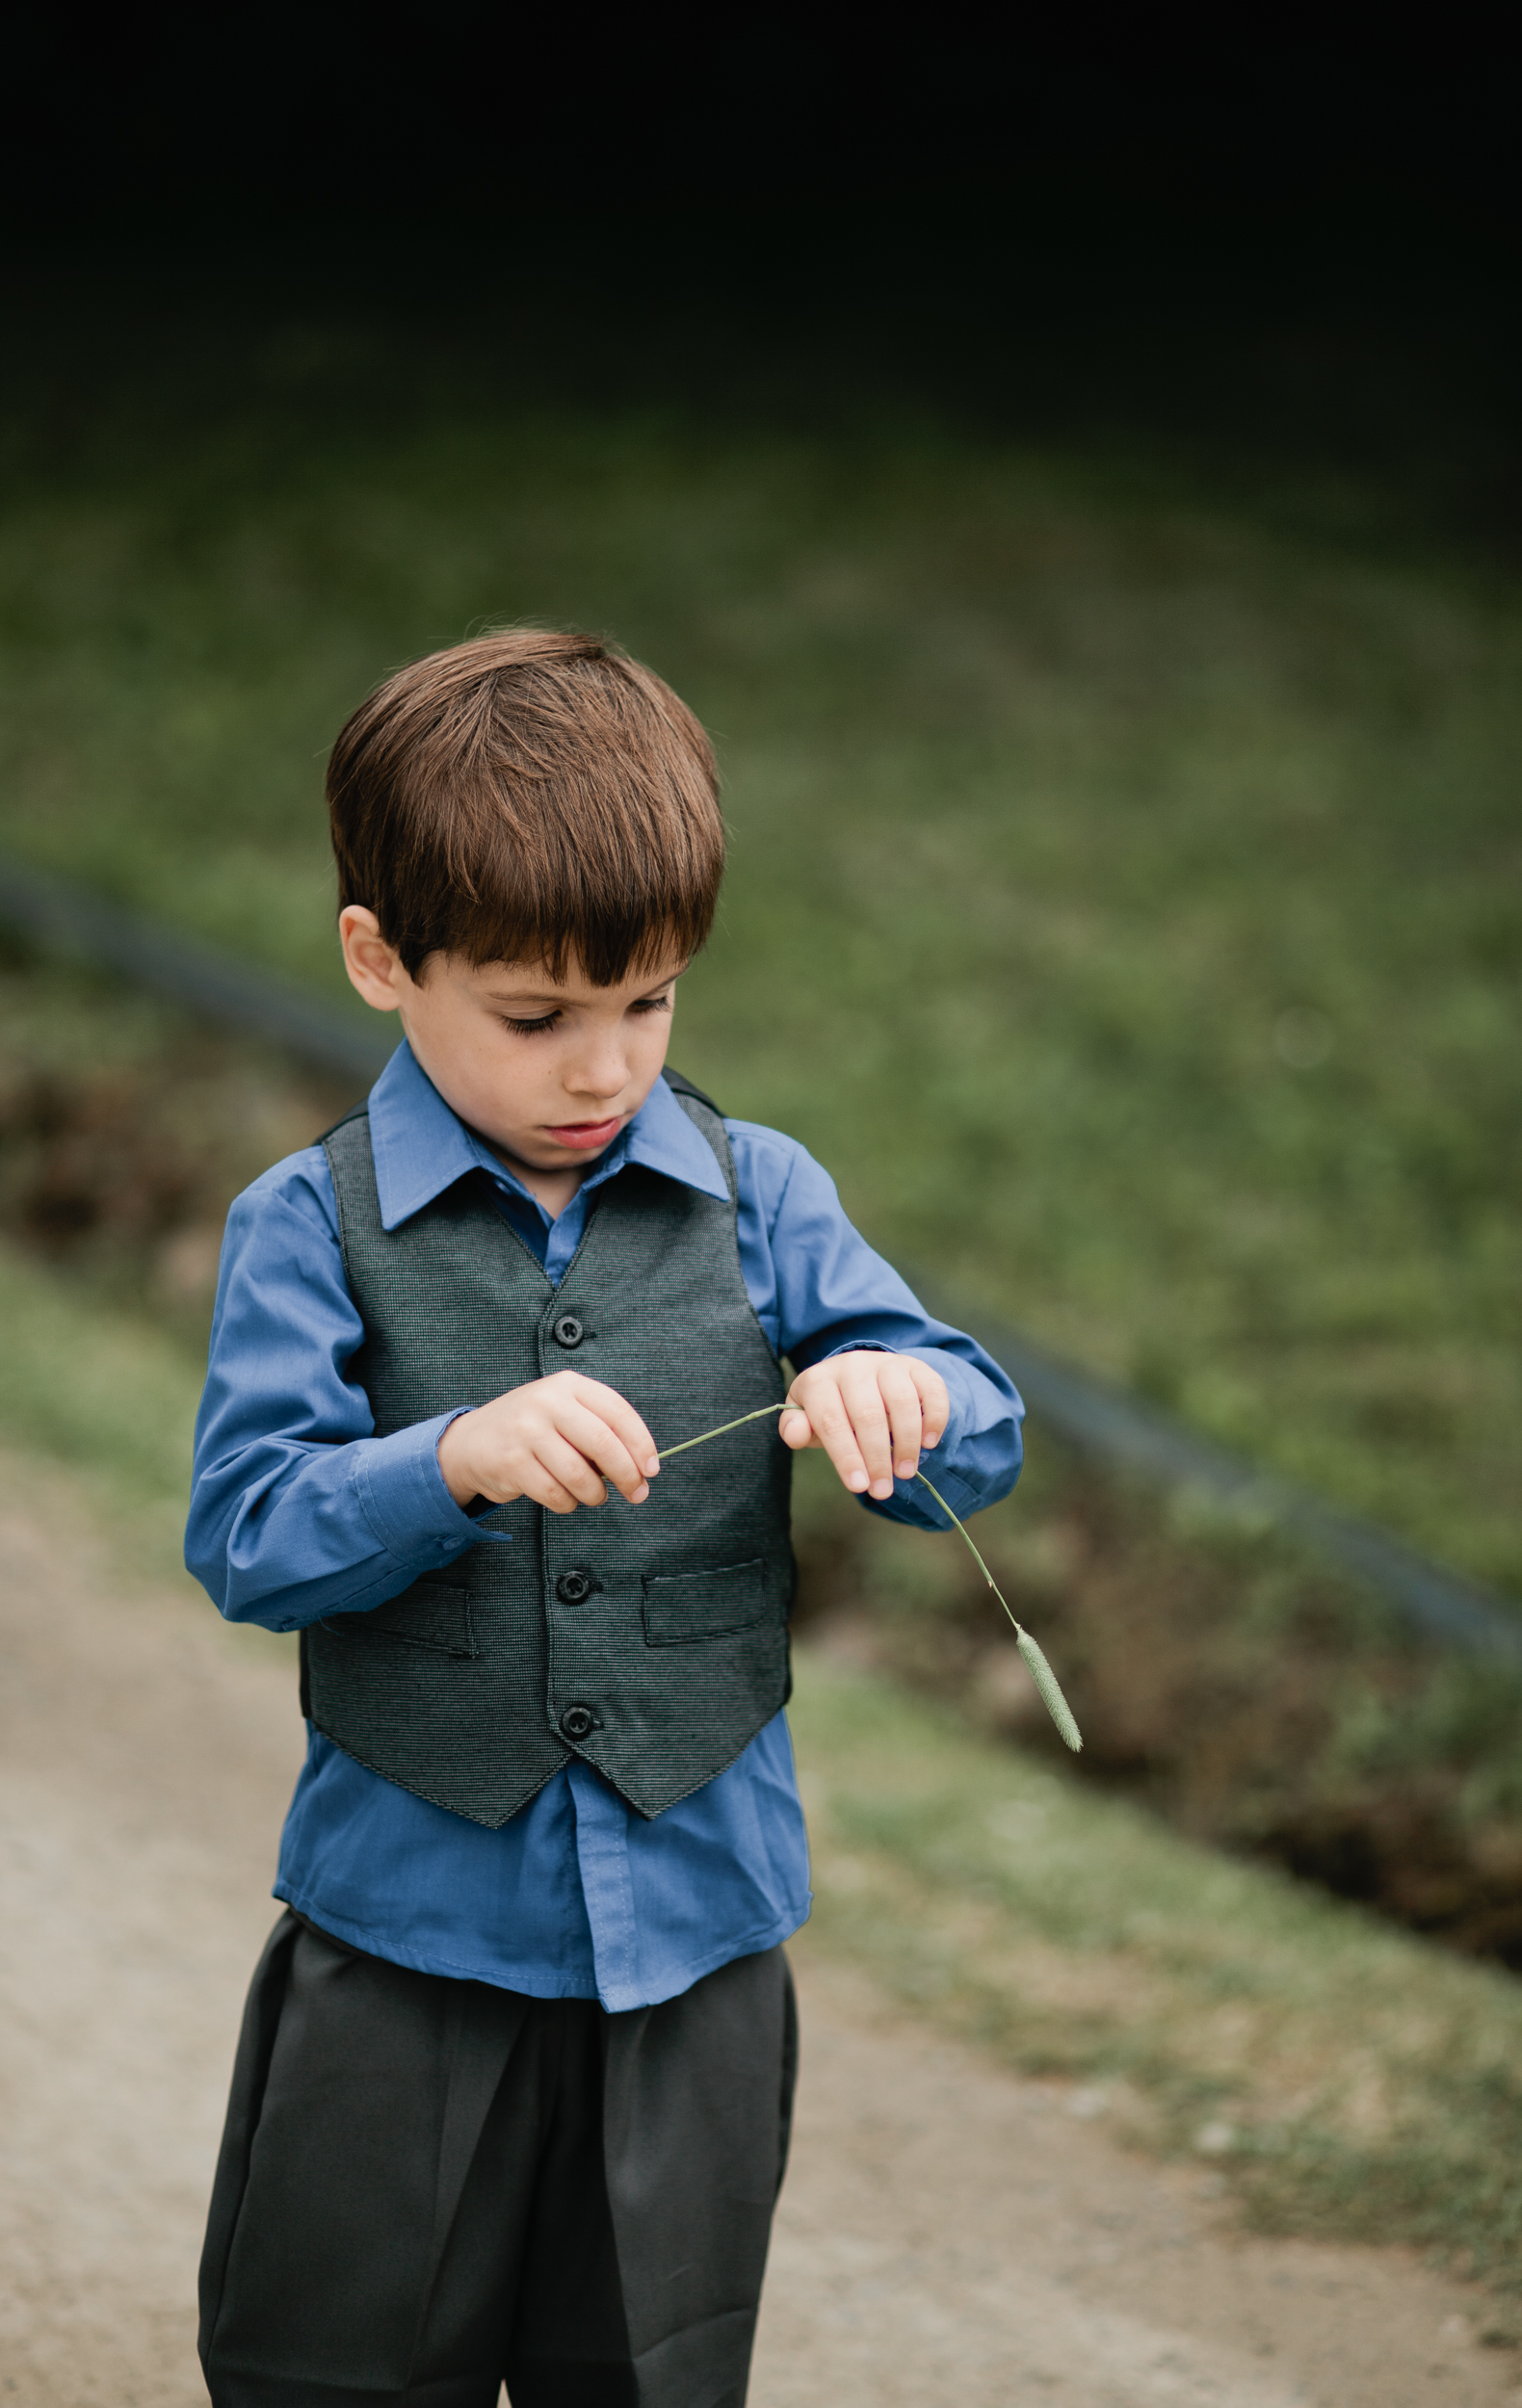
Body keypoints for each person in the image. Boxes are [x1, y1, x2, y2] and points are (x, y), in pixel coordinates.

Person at [186, 626, 1024, 2408]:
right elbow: (247, 1533)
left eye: (648, 1003)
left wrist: (910, 1389)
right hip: (403, 1943)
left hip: (702, 1949)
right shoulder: (303, 1227)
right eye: (537, 1016)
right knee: (333, 2365)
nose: (604, 1068)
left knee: (646, 2374)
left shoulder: (762, 1192)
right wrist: (450, 1459)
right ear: (378, 960)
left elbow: (974, 1422)